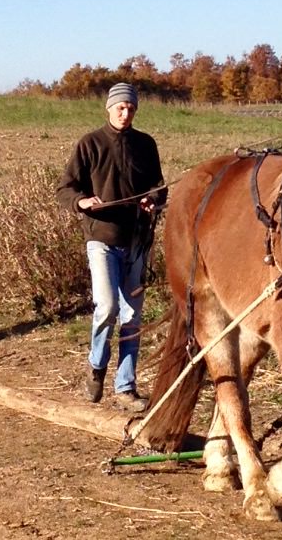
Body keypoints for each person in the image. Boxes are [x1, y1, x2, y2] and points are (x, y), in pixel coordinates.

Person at [57, 82, 167, 412]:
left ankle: (126, 387)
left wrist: (153, 200)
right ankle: (96, 369)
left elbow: (159, 187)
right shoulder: (89, 144)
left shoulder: (145, 144)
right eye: (120, 107)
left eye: (131, 108)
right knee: (107, 308)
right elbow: (64, 188)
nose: (125, 112)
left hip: (136, 240)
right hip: (101, 239)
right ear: (109, 109)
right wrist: (82, 202)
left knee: (132, 316)